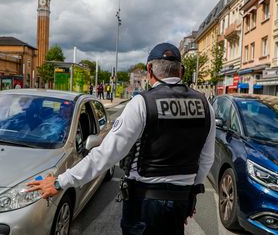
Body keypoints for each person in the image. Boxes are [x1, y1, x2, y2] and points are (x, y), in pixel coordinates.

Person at [25, 43, 215, 235]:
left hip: (144, 202)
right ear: (181, 71)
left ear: (149, 69)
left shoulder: (142, 103)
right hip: (180, 201)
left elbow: (107, 154)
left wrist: (60, 182)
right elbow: (207, 159)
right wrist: (189, 192)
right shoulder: (205, 105)